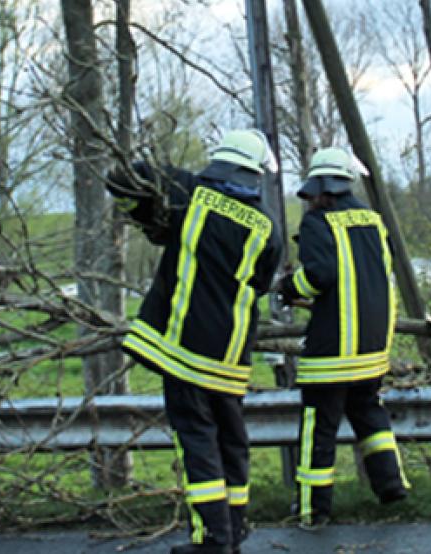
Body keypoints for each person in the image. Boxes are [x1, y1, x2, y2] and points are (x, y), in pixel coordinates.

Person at [107, 129, 283, 553]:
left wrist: (144, 214)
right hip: (231, 355)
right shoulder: (269, 229)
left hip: (186, 351)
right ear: (254, 175)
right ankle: (234, 530)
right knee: (231, 441)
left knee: (198, 442)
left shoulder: (188, 192)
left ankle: (213, 539)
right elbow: (258, 284)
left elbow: (121, 178)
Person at [278, 146, 409, 530]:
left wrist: (288, 286)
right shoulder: (373, 220)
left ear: (323, 189)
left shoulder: (321, 223)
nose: (310, 201)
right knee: (370, 415)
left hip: (332, 355)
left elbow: (319, 276)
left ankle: (311, 510)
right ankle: (392, 487)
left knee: (318, 430)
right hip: (372, 350)